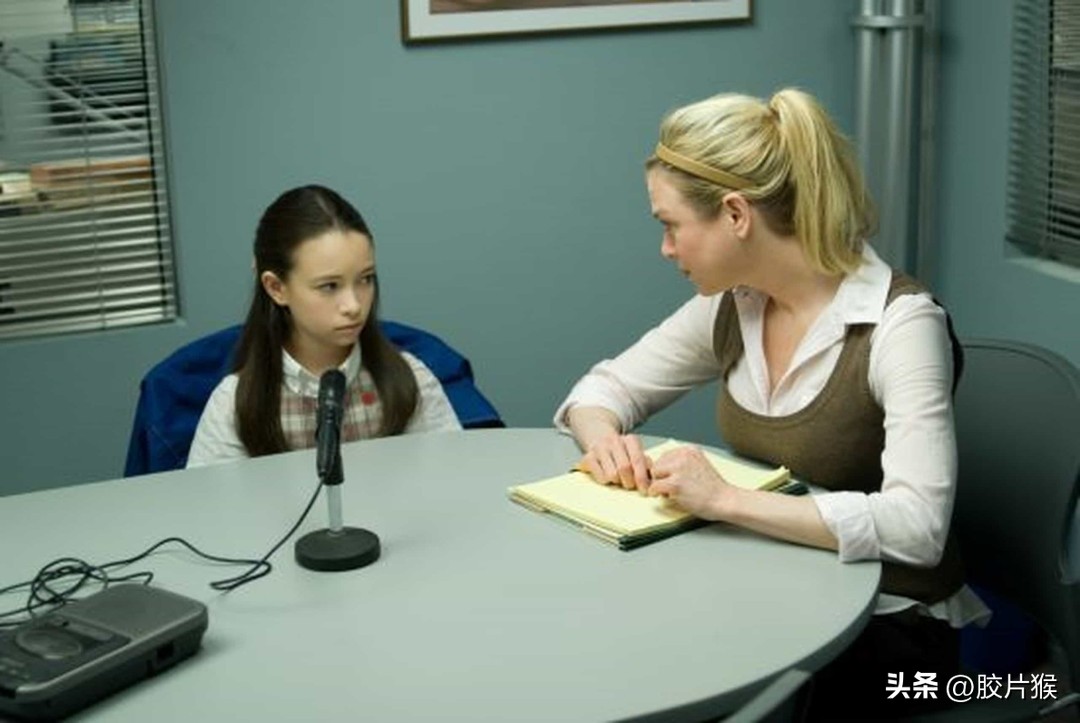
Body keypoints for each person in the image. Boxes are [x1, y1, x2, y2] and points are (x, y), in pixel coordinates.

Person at [553, 88, 988, 718]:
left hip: (897, 635)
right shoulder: (736, 302)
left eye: (670, 226)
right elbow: (601, 392)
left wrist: (726, 500)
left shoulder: (901, 326)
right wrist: (606, 442)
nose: (665, 250)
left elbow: (918, 530)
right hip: (775, 591)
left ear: (735, 214)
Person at [187, 185, 461, 467]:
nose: (354, 305)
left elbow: (452, 482)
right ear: (276, 287)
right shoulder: (233, 406)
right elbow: (211, 508)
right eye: (330, 286)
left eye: (365, 279)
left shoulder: (409, 380)